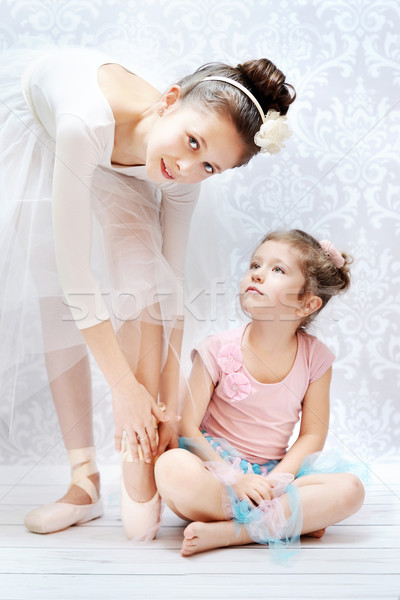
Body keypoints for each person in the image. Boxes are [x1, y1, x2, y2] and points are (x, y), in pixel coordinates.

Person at [0, 45, 295, 537]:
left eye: (209, 167)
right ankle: (84, 480)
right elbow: (77, 275)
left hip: (134, 153)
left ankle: (146, 453)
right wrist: (124, 391)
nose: (185, 167)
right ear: (170, 101)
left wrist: (169, 404)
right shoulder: (83, 123)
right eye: (193, 142)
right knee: (59, 296)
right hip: (49, 129)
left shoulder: (182, 171)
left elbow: (172, 284)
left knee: (143, 273)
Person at [154, 230, 365, 557]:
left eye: (277, 269)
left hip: (272, 475)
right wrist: (235, 480)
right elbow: (188, 429)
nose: (257, 273)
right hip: (217, 474)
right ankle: (287, 521)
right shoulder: (217, 348)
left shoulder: (316, 358)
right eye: (255, 264)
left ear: (306, 304)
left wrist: (276, 482)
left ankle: (233, 533)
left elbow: (312, 435)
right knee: (170, 467)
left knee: (351, 490)